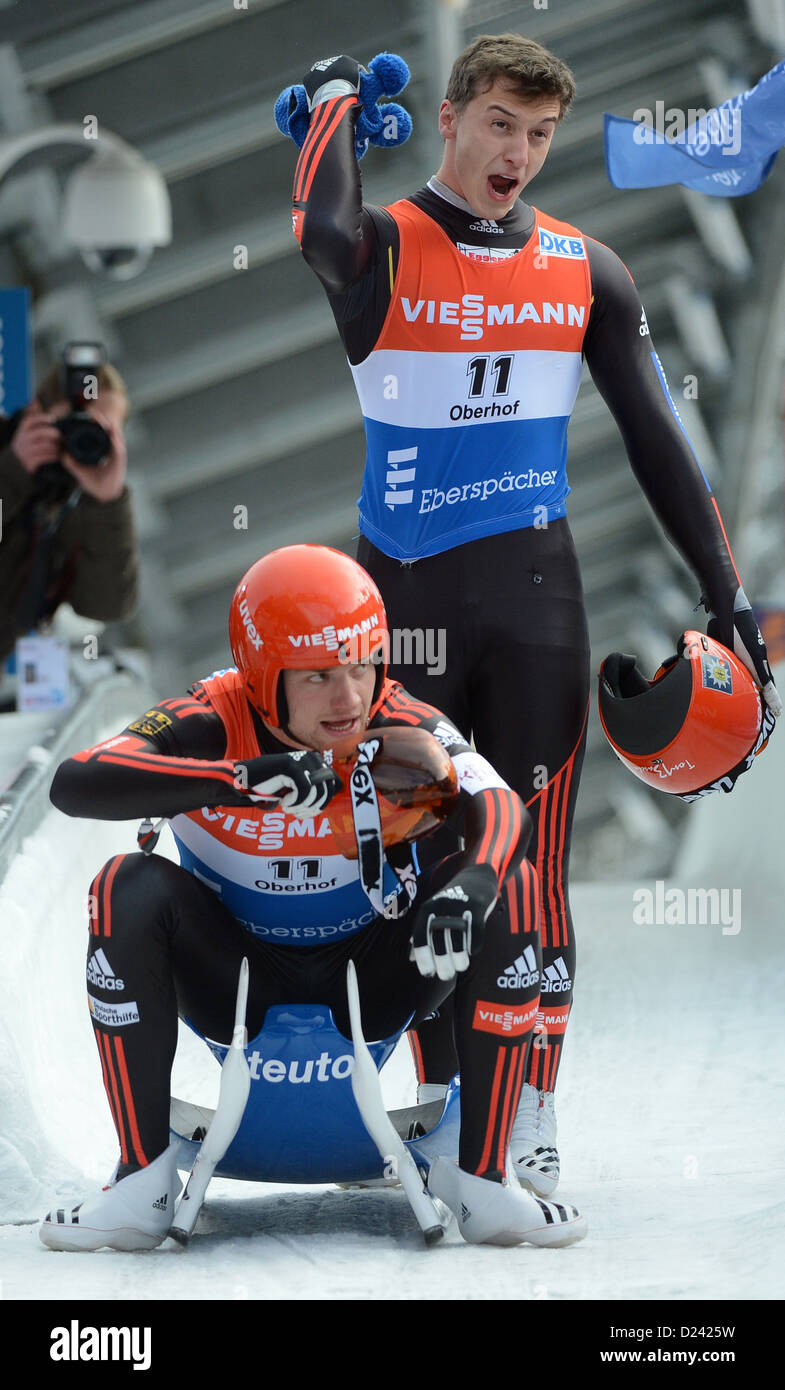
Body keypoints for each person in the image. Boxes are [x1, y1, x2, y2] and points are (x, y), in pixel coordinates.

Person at [286, 34, 781, 1193]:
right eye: (500, 124)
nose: (518, 154)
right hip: (401, 622)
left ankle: (529, 1121)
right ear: (449, 117)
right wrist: (333, 104)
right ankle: (452, 1109)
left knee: (531, 869)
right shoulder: (384, 250)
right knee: (412, 864)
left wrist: (729, 595)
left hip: (536, 607)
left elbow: (661, 441)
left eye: (541, 133)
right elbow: (317, 230)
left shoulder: (587, 269)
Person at [38, 543, 587, 1252]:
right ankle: (139, 1181)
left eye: (361, 665)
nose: (349, 697)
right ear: (264, 679)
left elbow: (500, 804)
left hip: (376, 974)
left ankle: (484, 1181)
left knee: (509, 883)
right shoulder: (209, 716)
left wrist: (472, 887)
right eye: (319, 675)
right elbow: (76, 781)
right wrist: (241, 780)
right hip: (235, 982)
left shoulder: (397, 721)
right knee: (123, 885)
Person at [0, 356, 138, 669]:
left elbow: (107, 606)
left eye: (100, 431)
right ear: (36, 411)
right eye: (77, 423)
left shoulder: (81, 503)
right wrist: (13, 472)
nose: (81, 440)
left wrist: (107, 504)